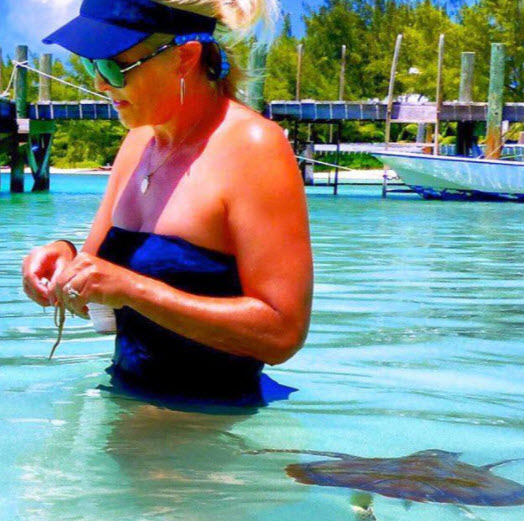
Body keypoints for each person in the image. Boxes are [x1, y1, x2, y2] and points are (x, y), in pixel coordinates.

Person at [21, 0, 312, 409]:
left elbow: (283, 335)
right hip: (127, 402)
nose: (100, 84)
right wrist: (63, 259)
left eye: (114, 67)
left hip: (212, 426)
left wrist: (135, 291)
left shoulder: (253, 146)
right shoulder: (139, 140)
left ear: (184, 58)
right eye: (91, 66)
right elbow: (98, 283)